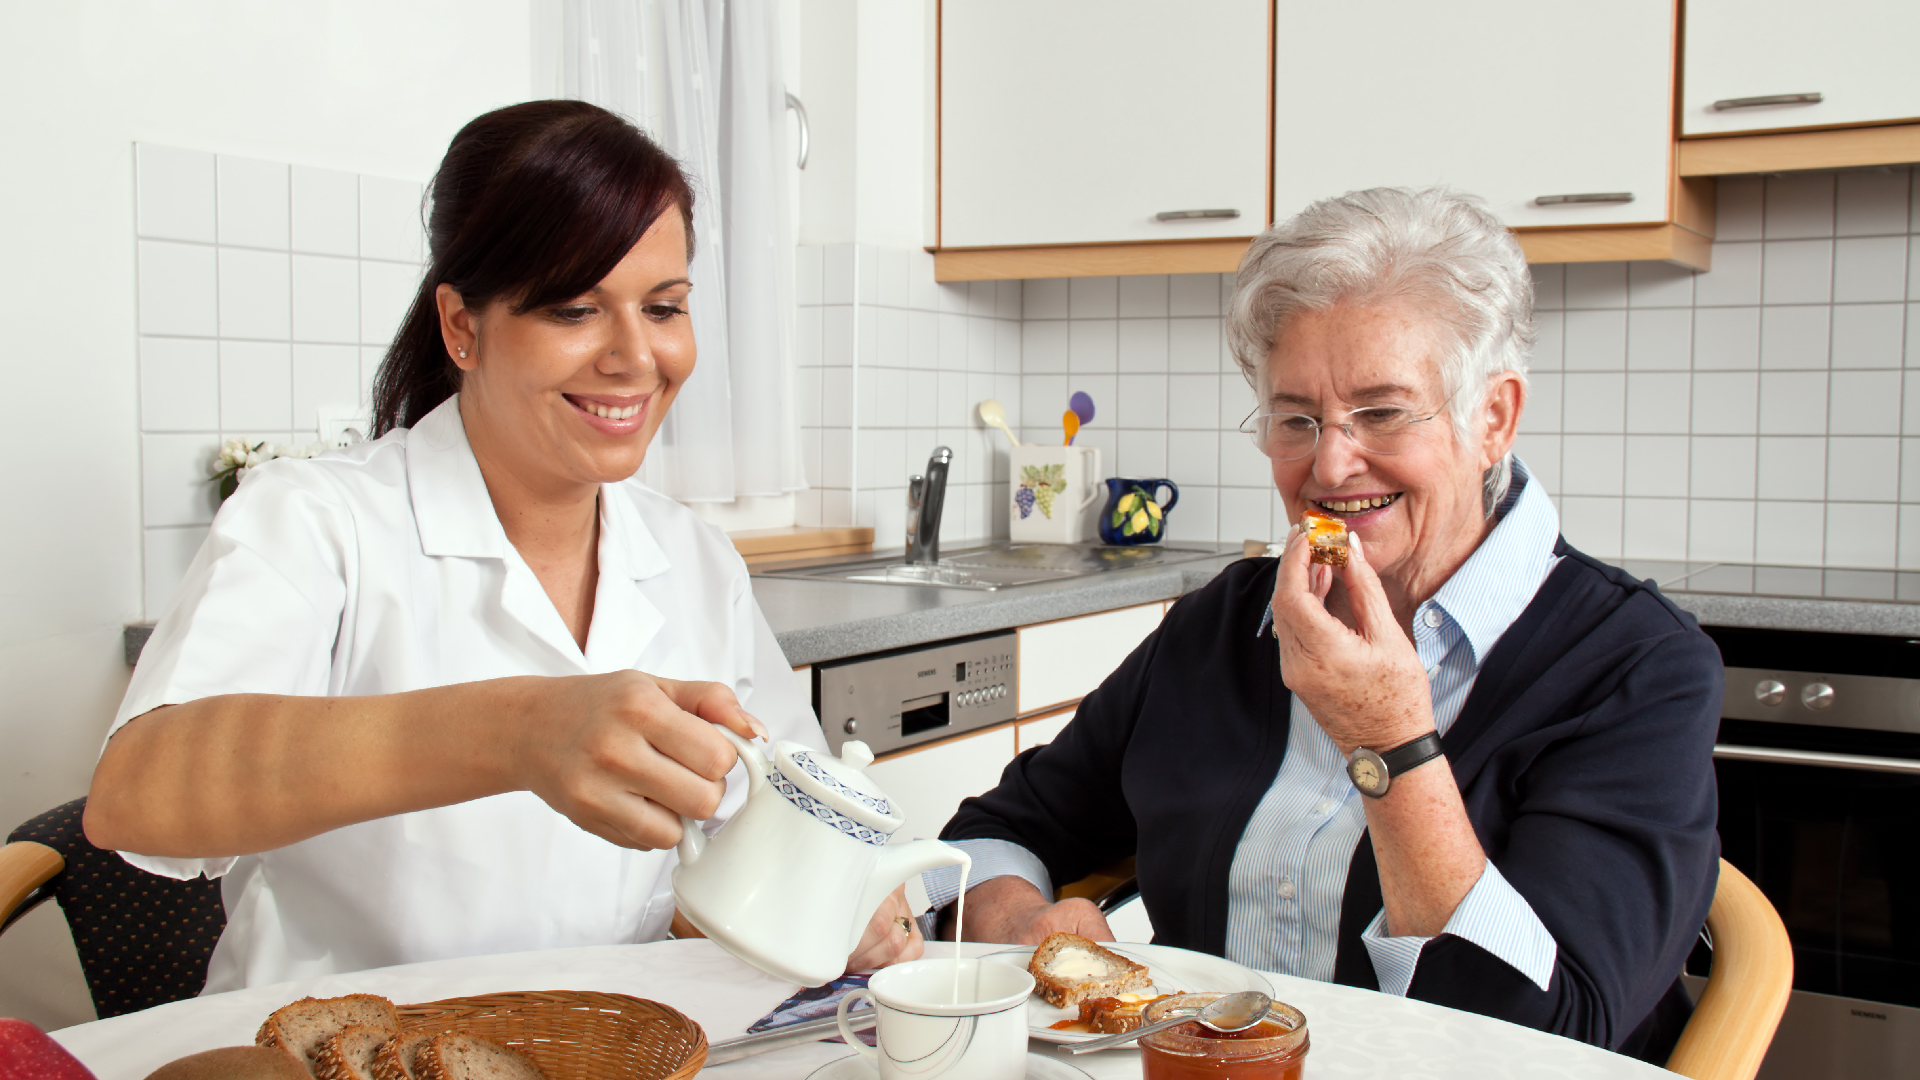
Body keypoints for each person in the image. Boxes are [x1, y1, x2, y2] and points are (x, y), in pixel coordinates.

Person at [85, 101, 921, 992]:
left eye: (664, 307)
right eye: (574, 309)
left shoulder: (694, 560)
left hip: (613, 1043)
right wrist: (521, 730)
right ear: (462, 328)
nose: (636, 358)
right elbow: (139, 792)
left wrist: (847, 896)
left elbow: (779, 813)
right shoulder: (319, 521)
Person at [927, 188, 1721, 1059]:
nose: (1332, 463)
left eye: (1380, 412)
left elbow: (1547, 1041)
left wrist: (1390, 738)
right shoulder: (1222, 626)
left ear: (1492, 418)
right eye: (1296, 419)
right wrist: (1024, 928)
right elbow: (993, 833)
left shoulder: (1638, 666)